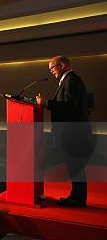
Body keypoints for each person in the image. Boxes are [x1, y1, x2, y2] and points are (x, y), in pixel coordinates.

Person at [37, 55, 94, 207]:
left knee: (76, 167)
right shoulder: (68, 81)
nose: (51, 72)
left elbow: (69, 105)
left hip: (75, 133)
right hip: (72, 132)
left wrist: (46, 103)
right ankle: (76, 197)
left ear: (62, 66)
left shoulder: (72, 80)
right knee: (75, 167)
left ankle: (77, 199)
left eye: (52, 68)